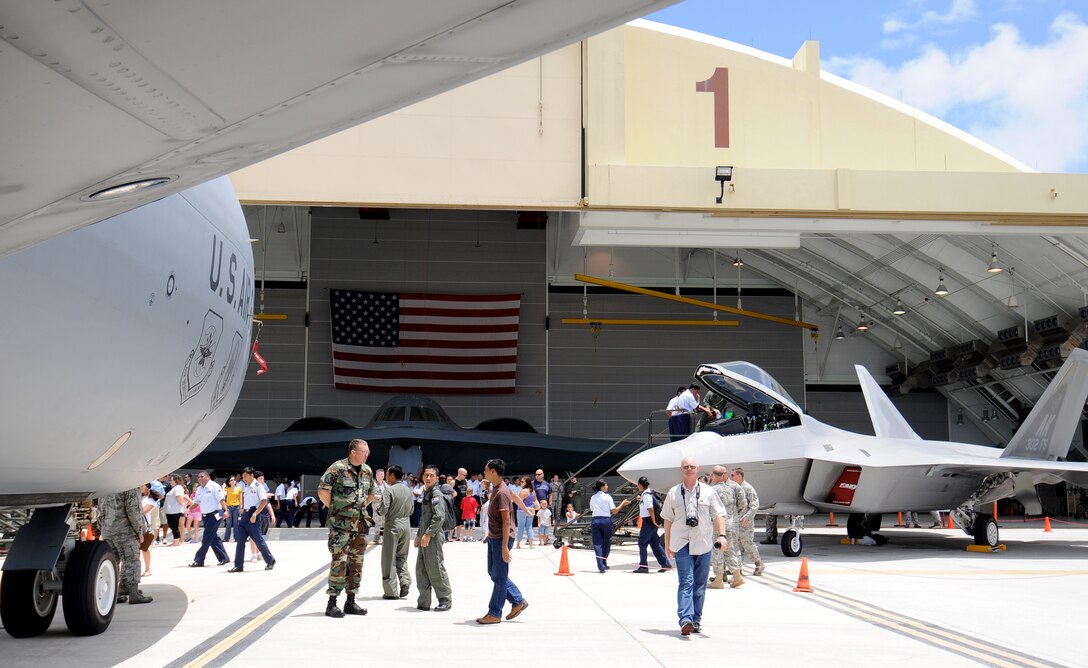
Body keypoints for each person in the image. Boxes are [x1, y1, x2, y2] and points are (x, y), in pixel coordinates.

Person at [661, 457, 727, 636]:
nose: (688, 469)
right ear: (681, 469)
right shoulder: (673, 493)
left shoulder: (708, 492)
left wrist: (722, 535)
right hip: (681, 542)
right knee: (686, 581)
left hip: (703, 542)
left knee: (699, 585)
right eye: (685, 466)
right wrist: (667, 544)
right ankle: (685, 620)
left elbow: (719, 514)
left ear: (697, 469)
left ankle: (696, 620)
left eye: (692, 466)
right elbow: (667, 519)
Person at [318, 438, 375, 618]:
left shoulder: (367, 471)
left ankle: (351, 601)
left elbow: (371, 493)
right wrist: (336, 509)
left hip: (360, 525)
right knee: (339, 562)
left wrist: (360, 508)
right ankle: (332, 603)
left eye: (367, 452)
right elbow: (323, 490)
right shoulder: (337, 468)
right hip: (340, 527)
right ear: (353, 452)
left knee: (356, 563)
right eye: (364, 452)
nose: (367, 455)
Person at [476, 459, 529, 625]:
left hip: (501, 539)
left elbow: (506, 521)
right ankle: (517, 600)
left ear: (493, 472)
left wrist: (505, 547)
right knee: (493, 572)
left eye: (486, 470)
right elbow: (515, 498)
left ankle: (494, 612)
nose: (484, 472)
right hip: (494, 537)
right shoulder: (497, 489)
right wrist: (525, 509)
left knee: (499, 577)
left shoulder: (501, 492)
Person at [99, 487, 153, 604]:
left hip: (108, 530)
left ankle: (116, 592)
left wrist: (100, 529)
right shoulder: (130, 486)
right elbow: (133, 510)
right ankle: (134, 594)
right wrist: (139, 530)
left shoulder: (105, 487)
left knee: (113, 562)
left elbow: (99, 510)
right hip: (125, 531)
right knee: (132, 560)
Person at [415, 465, 453, 612]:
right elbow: (425, 517)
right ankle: (424, 601)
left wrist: (428, 534)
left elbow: (439, 517)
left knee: (435, 567)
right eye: (426, 475)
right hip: (425, 535)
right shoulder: (427, 492)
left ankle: (445, 600)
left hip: (433, 536)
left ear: (437, 478)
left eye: (431, 475)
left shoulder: (436, 493)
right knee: (422, 569)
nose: (428, 477)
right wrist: (419, 534)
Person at [228, 467, 276, 572]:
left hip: (253, 513)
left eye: (245, 476)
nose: (244, 479)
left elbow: (264, 501)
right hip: (245, 514)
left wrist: (255, 514)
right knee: (240, 540)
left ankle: (270, 560)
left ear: (251, 475)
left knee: (258, 539)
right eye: (243, 476)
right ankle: (238, 565)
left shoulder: (258, 486)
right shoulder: (247, 486)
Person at [378, 466, 413, 601]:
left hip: (393, 525)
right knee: (402, 556)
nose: (386, 477)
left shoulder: (389, 490)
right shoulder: (408, 490)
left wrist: (377, 505)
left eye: (387, 474)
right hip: (406, 525)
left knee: (388, 558)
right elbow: (411, 510)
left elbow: (382, 511)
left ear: (392, 475)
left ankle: (391, 591)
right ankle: (405, 581)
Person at [189, 471, 230, 567]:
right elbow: (196, 502)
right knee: (213, 537)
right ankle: (224, 558)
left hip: (217, 513)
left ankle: (199, 559)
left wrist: (226, 510)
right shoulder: (199, 489)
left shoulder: (214, 486)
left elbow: (221, 499)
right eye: (198, 477)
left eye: (202, 476)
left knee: (207, 536)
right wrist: (188, 509)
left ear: (207, 477)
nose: (200, 478)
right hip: (206, 515)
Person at [589, 479, 631, 572]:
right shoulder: (607, 497)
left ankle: (601, 565)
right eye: (606, 485)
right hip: (605, 521)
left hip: (595, 520)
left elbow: (592, 509)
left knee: (597, 543)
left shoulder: (593, 497)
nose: (607, 487)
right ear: (602, 487)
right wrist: (623, 503)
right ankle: (603, 562)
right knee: (606, 543)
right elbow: (615, 511)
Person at [707, 467, 737, 588]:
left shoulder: (712, 490)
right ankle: (737, 576)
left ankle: (718, 580)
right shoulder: (730, 489)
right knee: (730, 551)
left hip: (718, 525)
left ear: (713, 475)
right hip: (730, 522)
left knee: (717, 552)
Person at [731, 467, 765, 576]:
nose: (731, 477)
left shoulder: (748, 488)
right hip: (736, 522)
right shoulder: (734, 488)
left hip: (745, 523)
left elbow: (754, 505)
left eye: (733, 475)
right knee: (736, 546)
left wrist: (748, 517)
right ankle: (737, 569)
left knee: (748, 544)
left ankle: (759, 564)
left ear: (739, 476)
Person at [634, 476, 671, 573]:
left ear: (640, 485)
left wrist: (654, 521)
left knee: (642, 543)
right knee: (655, 543)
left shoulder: (646, 495)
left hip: (648, 522)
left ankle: (643, 566)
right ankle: (665, 564)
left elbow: (650, 509)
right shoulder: (647, 494)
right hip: (650, 522)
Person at [162, 474, 189, 546]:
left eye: (171, 480)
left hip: (174, 511)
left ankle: (176, 542)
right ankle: (176, 541)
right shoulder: (175, 488)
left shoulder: (178, 487)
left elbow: (179, 497)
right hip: (171, 511)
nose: (170, 481)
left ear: (176, 480)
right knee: (173, 526)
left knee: (174, 526)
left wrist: (183, 506)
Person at [139, 484, 157, 577]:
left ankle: (148, 569)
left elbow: (143, 512)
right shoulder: (139, 497)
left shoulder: (150, 500)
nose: (141, 487)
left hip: (144, 526)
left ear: (147, 487)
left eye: (142, 486)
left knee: (144, 548)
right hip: (137, 525)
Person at [222, 475, 242, 542]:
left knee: (236, 523)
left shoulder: (239, 489)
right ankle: (226, 538)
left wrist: (241, 507)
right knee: (228, 523)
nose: (233, 481)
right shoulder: (227, 489)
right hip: (229, 507)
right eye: (231, 480)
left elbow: (241, 499)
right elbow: (223, 495)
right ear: (229, 482)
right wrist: (223, 487)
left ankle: (237, 538)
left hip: (236, 507)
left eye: (234, 480)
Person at [371, 468, 387, 544]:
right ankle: (377, 537)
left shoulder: (385, 484)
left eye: (383, 475)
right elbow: (368, 494)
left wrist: (383, 497)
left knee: (383, 522)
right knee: (377, 522)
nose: (382, 476)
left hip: (383, 506)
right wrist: (376, 497)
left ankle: (380, 537)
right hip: (376, 506)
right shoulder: (372, 484)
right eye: (380, 475)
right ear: (376, 475)